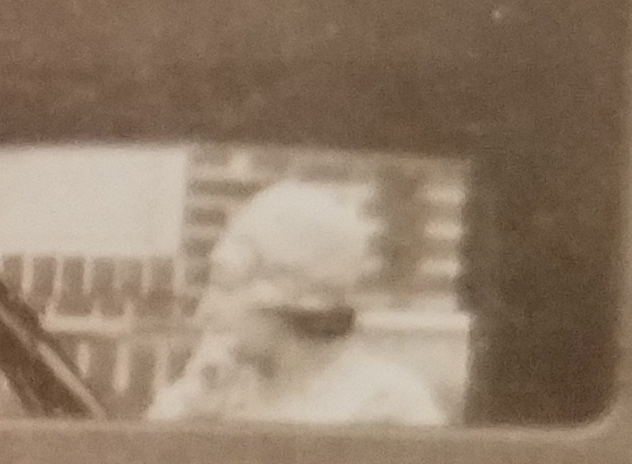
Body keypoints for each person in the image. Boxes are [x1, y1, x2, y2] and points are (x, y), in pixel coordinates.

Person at [146, 181, 450, 429]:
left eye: (225, 285)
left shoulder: (386, 405)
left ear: (290, 297)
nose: (204, 313)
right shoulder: (215, 391)